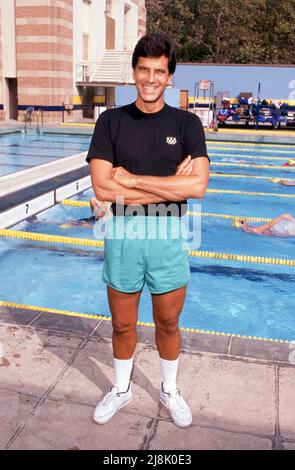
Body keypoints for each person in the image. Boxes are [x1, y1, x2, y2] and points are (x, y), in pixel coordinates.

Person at [86, 32, 209, 428]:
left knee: (168, 323)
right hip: (122, 236)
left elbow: (197, 187)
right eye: (144, 69)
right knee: (122, 324)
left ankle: (169, 389)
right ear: (134, 73)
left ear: (170, 76)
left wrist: (132, 181)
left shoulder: (187, 124)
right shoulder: (111, 122)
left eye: (159, 71)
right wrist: (168, 185)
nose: (151, 78)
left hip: (168, 237)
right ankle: (121, 389)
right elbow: (103, 187)